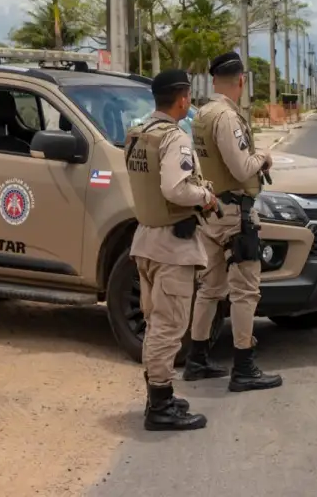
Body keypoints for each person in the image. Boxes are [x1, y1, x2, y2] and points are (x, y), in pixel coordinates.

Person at [184, 51, 283, 392]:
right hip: (234, 214)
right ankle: (244, 367)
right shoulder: (226, 117)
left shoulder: (202, 114)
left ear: (214, 79)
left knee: (210, 288)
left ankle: (196, 360)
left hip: (212, 211)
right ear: (241, 80)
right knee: (245, 290)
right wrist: (263, 158)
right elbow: (241, 167)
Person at [126, 68, 218, 431]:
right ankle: (160, 407)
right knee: (168, 326)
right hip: (171, 245)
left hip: (146, 237)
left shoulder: (138, 133)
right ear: (182, 98)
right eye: (189, 96)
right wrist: (206, 197)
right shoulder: (175, 138)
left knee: (154, 322)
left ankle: (158, 396)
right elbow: (175, 188)